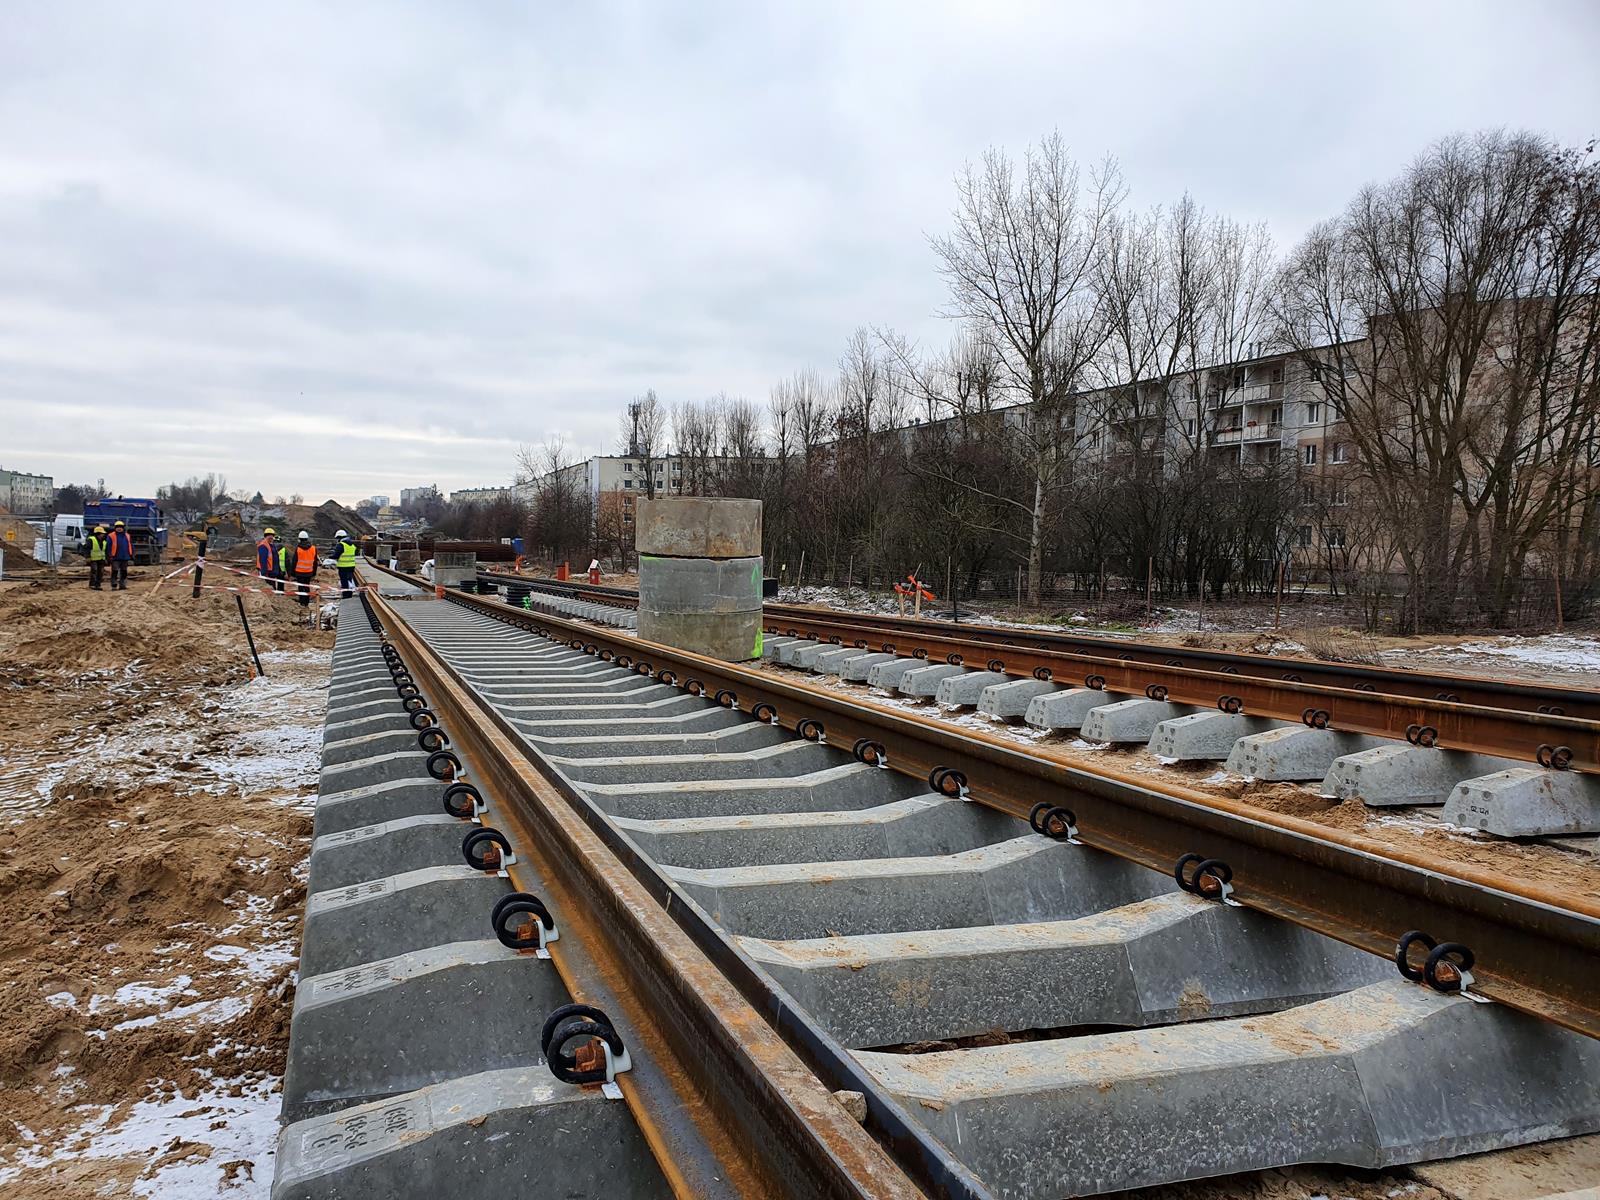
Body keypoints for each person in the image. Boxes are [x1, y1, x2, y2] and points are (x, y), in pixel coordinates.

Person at [287, 530, 319, 610]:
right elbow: (315, 562)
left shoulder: (298, 549)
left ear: (299, 539)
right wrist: (314, 573)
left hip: (299, 572)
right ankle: (307, 602)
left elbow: (294, 561)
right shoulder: (313, 548)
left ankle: (302, 603)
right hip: (309, 572)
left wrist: (292, 573)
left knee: (301, 587)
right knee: (307, 586)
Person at [106, 519, 134, 590]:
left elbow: (130, 545)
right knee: (115, 571)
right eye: (117, 527)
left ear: (123, 528)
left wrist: (131, 555)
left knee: (124, 571)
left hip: (125, 557)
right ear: (115, 528)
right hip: (115, 557)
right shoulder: (111, 536)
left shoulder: (127, 536)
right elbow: (108, 547)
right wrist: (109, 555)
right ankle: (114, 584)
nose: (119, 528)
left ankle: (122, 584)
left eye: (120, 527)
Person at [333, 528, 358, 598]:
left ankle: (346, 595)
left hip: (343, 567)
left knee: (344, 582)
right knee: (349, 580)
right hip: (351, 566)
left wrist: (330, 557)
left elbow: (336, 555)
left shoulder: (341, 545)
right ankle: (349, 594)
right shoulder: (352, 545)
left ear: (339, 538)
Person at [256, 527, 282, 593]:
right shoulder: (263, 546)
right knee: (269, 588)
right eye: (269, 535)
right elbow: (263, 560)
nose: (271, 537)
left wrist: (279, 570)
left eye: (272, 535)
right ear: (265, 536)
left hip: (272, 571)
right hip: (268, 572)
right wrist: (264, 573)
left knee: (272, 587)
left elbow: (275, 558)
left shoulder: (272, 545)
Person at [85, 524, 108, 590]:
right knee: (94, 571)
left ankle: (98, 585)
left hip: (101, 559)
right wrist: (88, 557)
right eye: (102, 533)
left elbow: (105, 551)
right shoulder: (91, 540)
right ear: (98, 533)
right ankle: (92, 585)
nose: (103, 535)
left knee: (100, 572)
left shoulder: (104, 541)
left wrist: (106, 558)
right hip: (93, 559)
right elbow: (87, 549)